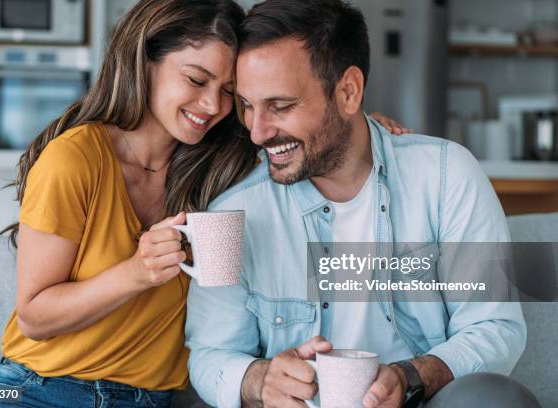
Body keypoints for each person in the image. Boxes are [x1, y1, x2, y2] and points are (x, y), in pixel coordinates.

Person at [0, 1, 407, 407]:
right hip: (42, 390)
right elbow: (34, 316)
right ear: (147, 62)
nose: (211, 106)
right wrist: (136, 273)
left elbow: (302, 135)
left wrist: (362, 130)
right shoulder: (75, 160)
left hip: (150, 398)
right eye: (197, 80)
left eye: (228, 92)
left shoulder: (222, 163)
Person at [185, 1, 537, 407]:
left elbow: (495, 326)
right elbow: (210, 353)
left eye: (280, 106)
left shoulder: (446, 176)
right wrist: (259, 379)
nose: (258, 132)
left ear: (348, 92)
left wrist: (409, 377)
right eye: (247, 106)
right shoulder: (230, 215)